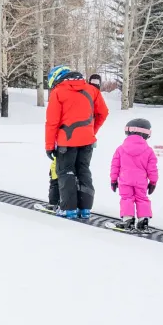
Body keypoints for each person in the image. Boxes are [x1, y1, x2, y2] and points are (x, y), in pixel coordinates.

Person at [43, 64, 109, 220]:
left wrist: (49, 146)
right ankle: (85, 209)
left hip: (66, 142)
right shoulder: (91, 90)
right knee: (83, 171)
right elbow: (103, 112)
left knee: (66, 173)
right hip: (87, 141)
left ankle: (68, 209)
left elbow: (52, 122)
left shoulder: (58, 92)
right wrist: (92, 130)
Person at [110, 118, 159, 232]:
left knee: (127, 198)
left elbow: (115, 166)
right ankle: (143, 221)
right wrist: (153, 182)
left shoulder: (121, 149)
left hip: (125, 180)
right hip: (140, 181)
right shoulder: (148, 151)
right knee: (142, 199)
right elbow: (152, 169)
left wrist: (113, 180)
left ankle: (128, 220)